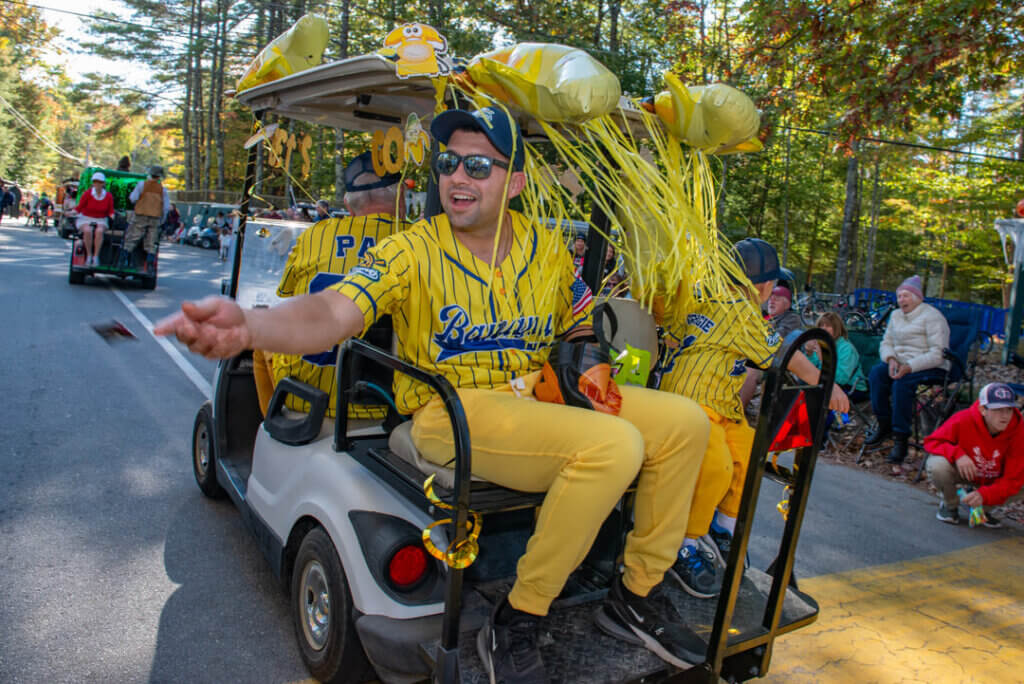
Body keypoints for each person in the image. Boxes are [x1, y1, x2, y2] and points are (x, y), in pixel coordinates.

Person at [155, 105, 712, 681]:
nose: (458, 177)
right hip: (450, 410)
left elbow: (576, 318)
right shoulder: (411, 249)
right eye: (448, 163)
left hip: (530, 397)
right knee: (613, 446)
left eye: (478, 164)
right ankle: (517, 618)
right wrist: (251, 325)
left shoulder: (546, 250)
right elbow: (330, 311)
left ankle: (636, 595)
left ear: (515, 182)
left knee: (685, 423)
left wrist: (585, 354)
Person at [657, 237, 849, 598]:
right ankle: (684, 541)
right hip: (691, 407)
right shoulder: (738, 310)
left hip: (720, 407)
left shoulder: (707, 298)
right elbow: (784, 354)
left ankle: (723, 529)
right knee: (716, 466)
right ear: (763, 287)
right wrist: (826, 384)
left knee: (749, 451)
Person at [262, 151, 404, 419]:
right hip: (393, 402)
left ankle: (268, 420)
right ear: (401, 200)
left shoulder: (315, 235)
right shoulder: (417, 241)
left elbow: (287, 294)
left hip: (309, 398)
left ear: (349, 207)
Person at [864, 275, 950, 466]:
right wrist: (891, 358)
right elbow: (886, 343)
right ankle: (884, 424)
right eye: (899, 296)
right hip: (900, 362)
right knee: (877, 374)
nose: (901, 300)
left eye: (906, 296)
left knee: (902, 383)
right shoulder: (895, 316)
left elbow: (939, 354)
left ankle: (900, 439)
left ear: (918, 297)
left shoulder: (933, 317)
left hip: (930, 365)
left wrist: (910, 367)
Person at [924, 382, 1024, 527]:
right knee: (937, 464)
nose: (1005, 416)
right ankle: (950, 505)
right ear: (983, 409)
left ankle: (981, 509)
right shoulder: (964, 419)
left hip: (995, 476)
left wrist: (986, 495)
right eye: (998, 410)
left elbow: (1013, 478)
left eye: (1009, 409)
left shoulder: (1019, 431)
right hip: (966, 470)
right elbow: (932, 442)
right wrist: (958, 454)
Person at [805, 311, 868, 401]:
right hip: (825, 383)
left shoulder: (846, 348)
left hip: (851, 388)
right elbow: (810, 369)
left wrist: (823, 360)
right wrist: (809, 353)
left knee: (814, 395)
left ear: (836, 328)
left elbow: (841, 379)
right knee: (800, 387)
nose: (824, 329)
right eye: (821, 326)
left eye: (828, 326)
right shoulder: (821, 344)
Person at [126, 165, 169, 270]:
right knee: (151, 241)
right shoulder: (162, 190)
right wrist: (162, 220)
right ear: (159, 177)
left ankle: (124, 260)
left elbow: (133, 198)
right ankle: (149, 264)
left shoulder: (142, 185)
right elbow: (166, 207)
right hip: (154, 217)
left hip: (140, 215)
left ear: (150, 174)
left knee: (132, 238)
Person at [75, 172, 115, 266]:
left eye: (100, 182)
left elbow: (110, 210)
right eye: (95, 182)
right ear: (93, 183)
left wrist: (112, 216)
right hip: (86, 218)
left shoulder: (108, 196)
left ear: (103, 184)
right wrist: (71, 212)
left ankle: (96, 257)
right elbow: (79, 207)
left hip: (101, 219)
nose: (97, 184)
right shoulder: (88, 194)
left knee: (99, 231)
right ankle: (89, 256)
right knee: (87, 230)